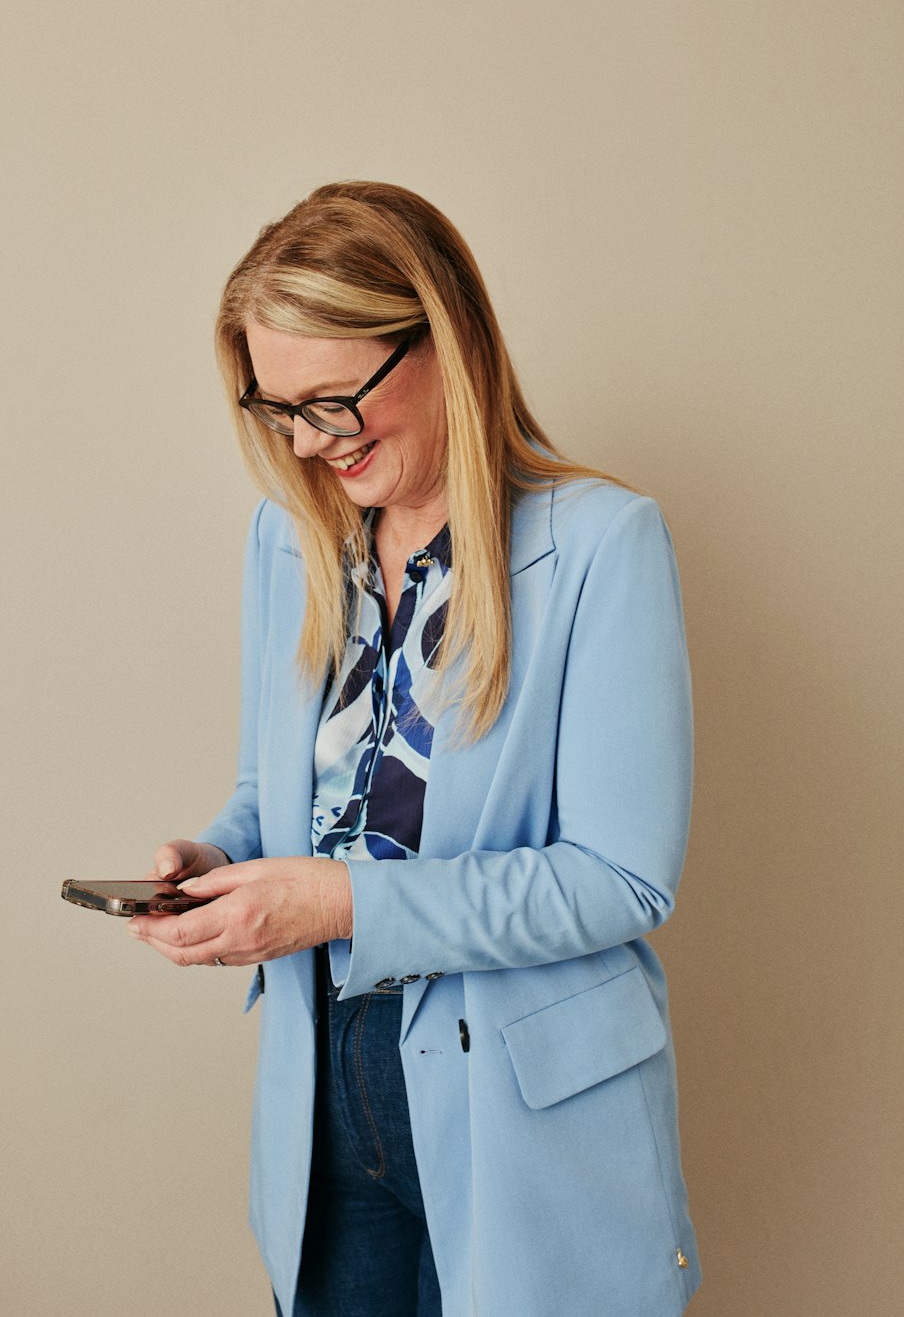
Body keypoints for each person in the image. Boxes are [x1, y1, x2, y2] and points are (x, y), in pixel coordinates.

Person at [126, 180, 702, 1317]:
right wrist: (219, 859)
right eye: (277, 407)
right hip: (324, 1075)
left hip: (526, 1100)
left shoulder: (599, 545)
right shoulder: (288, 539)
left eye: (333, 399)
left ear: (442, 342)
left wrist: (338, 904)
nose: (307, 441)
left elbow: (622, 877)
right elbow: (277, 793)